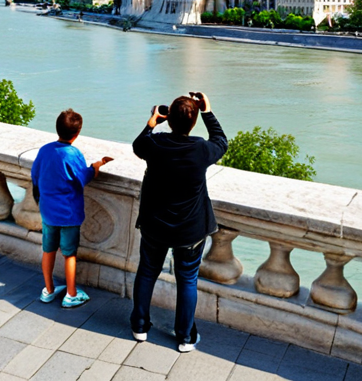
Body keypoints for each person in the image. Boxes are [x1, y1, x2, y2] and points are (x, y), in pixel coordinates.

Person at [130, 92, 227, 352]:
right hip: (190, 230)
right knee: (187, 280)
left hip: (155, 226)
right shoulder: (202, 149)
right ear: (193, 123)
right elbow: (221, 141)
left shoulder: (155, 145)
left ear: (168, 119)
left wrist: (152, 122)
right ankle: (185, 336)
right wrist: (207, 111)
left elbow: (138, 144)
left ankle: (139, 326)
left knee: (147, 272)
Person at [31, 109, 113, 308]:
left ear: (57, 128)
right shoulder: (73, 153)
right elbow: (82, 178)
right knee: (69, 254)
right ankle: (71, 294)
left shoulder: (45, 150)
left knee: (48, 250)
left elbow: (35, 176)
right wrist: (96, 166)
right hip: (69, 215)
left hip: (48, 212)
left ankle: (48, 290)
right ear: (77, 133)